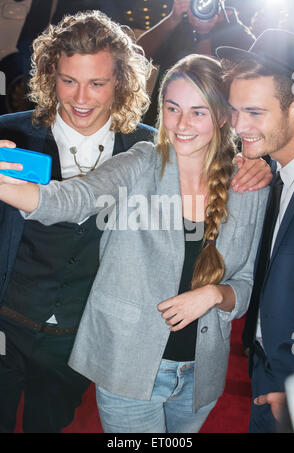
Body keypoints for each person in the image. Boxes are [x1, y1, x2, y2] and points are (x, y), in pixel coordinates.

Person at [0, 53, 269, 433]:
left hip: (200, 376)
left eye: (198, 112)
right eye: (173, 108)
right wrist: (7, 185)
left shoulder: (249, 186)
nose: (182, 123)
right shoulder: (142, 161)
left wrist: (212, 295)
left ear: (222, 116)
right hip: (129, 366)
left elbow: (245, 283)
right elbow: (74, 197)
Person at [0, 10, 156, 433]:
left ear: (121, 82)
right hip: (4, 324)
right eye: (69, 81)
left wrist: (254, 168)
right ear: (51, 77)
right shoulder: (11, 135)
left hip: (79, 337)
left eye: (97, 83)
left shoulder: (149, 146)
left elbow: (211, 170)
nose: (81, 98)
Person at [217, 28, 294, 433]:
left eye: (254, 113)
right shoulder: (274, 174)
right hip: (265, 371)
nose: (238, 125)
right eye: (234, 111)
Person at [137, 0, 255, 126]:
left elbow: (212, 85)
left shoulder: (241, 36)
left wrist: (203, 35)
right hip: (159, 124)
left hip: (205, 131)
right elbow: (138, 54)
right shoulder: (181, 22)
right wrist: (172, 19)